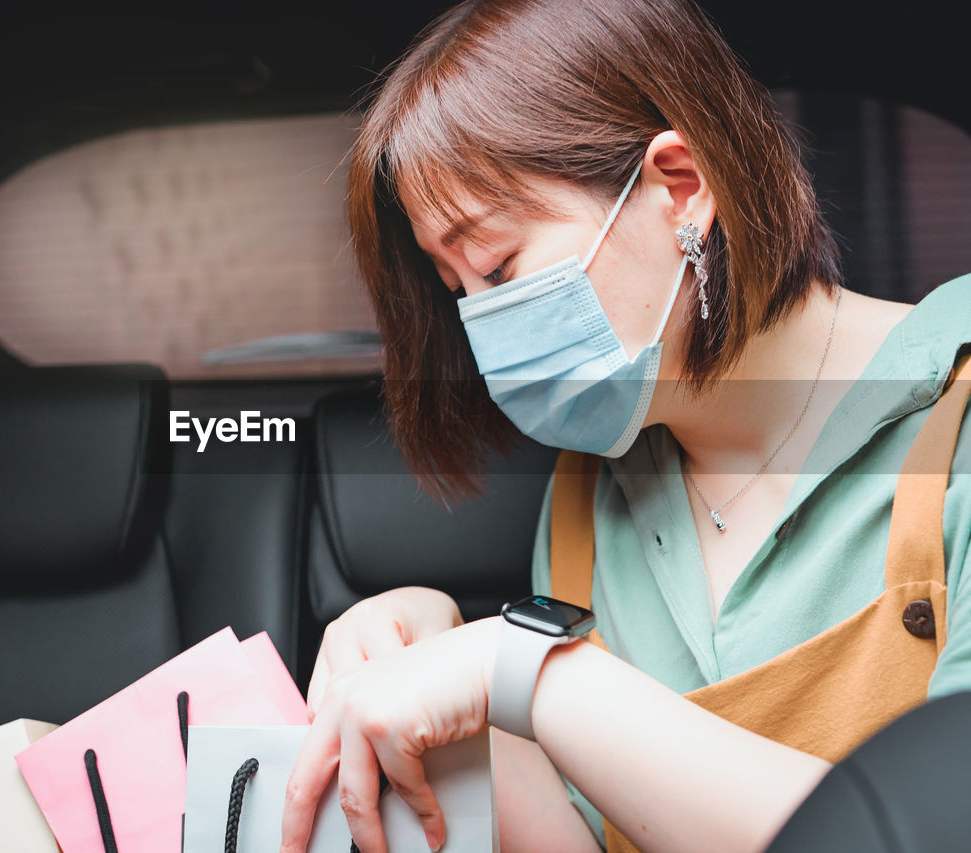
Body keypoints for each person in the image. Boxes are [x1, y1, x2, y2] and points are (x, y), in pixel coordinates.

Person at [276, 0, 971, 852]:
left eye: (499, 266)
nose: (486, 333)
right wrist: (446, 670)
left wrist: (532, 671)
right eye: (461, 294)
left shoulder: (958, 421)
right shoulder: (589, 498)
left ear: (681, 188)